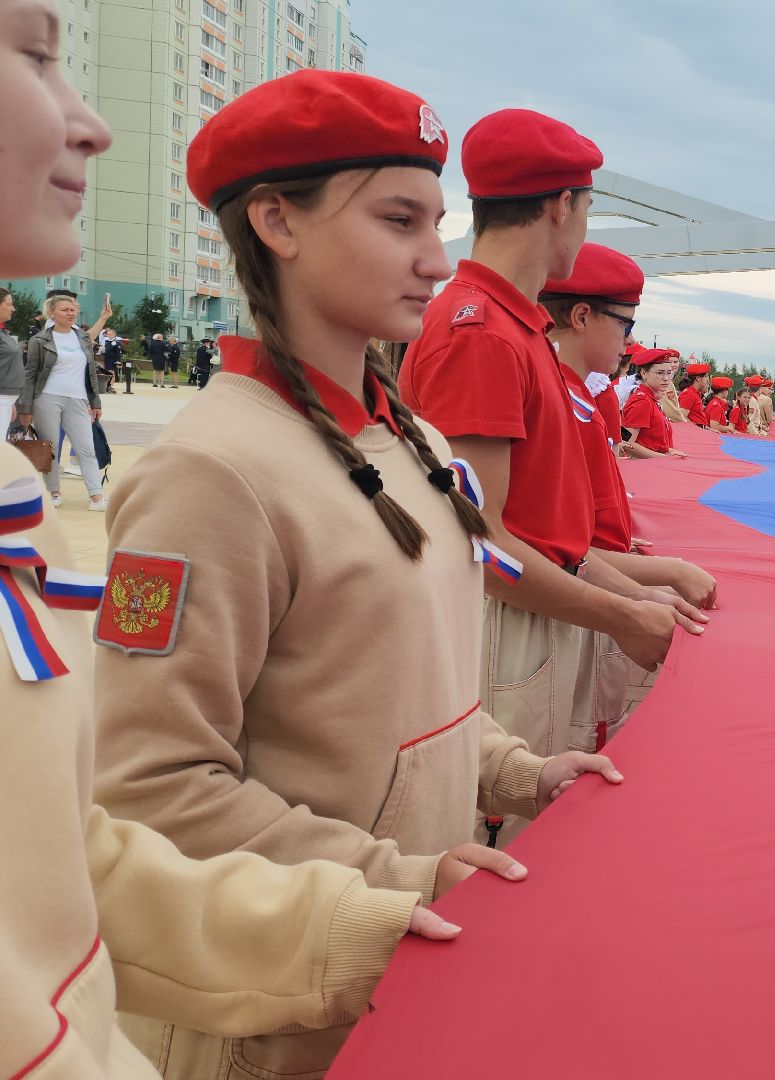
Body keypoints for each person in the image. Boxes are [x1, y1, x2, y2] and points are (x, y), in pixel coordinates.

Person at [46, 68, 608, 1079]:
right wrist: (400, 876)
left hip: (398, 965)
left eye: (438, 222)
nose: (437, 259)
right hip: (280, 1010)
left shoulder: (414, 440)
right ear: (276, 221)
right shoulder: (209, 473)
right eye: (399, 221)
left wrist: (522, 774)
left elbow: (410, 691)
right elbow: (149, 786)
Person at [398, 107, 693, 834]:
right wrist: (624, 613)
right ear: (562, 206)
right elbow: (483, 543)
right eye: (586, 211)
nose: (583, 230)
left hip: (543, 608)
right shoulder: (485, 336)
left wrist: (635, 594)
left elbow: (546, 530)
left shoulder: (514, 328)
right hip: (512, 628)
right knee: (512, 833)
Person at [540, 243, 712, 746]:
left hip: (595, 575)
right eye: (625, 324)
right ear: (581, 317)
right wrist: (652, 584)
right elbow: (540, 540)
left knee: (592, 722)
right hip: (576, 589)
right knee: (569, 735)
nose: (630, 342)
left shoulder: (577, 395)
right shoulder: (559, 398)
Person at [19, 287, 109, 509]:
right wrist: (25, 408)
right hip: (47, 398)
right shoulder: (40, 340)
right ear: (52, 313)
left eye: (72, 309)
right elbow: (30, 375)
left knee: (86, 448)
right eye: (64, 309)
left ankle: (96, 497)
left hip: (78, 399)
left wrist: (95, 402)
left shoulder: (81, 337)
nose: (70, 313)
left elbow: (90, 373)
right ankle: (54, 493)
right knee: (50, 448)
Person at [620, 346, 685, 458]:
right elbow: (627, 443)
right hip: (645, 466)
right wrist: (663, 457)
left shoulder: (650, 399)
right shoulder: (642, 401)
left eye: (669, 373)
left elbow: (652, 441)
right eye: (660, 373)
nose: (666, 378)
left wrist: (669, 451)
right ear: (644, 373)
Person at [0, 287, 21, 419]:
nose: (13, 309)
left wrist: (10, 402)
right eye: (9, 304)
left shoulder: (3, 332)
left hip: (5, 399)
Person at [678, 361, 712, 426]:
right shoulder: (689, 393)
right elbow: (681, 417)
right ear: (698, 379)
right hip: (694, 430)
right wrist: (697, 428)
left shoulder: (695, 393)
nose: (708, 379)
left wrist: (708, 429)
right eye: (706, 376)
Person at [97, 324, 121, 393]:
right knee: (107, 372)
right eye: (108, 334)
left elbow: (118, 353)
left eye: (110, 334)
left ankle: (110, 385)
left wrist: (118, 361)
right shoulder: (107, 342)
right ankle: (107, 385)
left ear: (114, 335)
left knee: (111, 373)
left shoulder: (116, 343)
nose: (108, 335)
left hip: (112, 360)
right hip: (106, 359)